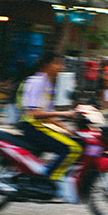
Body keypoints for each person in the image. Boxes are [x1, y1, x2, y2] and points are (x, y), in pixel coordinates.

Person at [16, 53, 82, 202]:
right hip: (31, 126)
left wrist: (68, 130)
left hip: (39, 125)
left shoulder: (48, 84)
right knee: (72, 148)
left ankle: (51, 172)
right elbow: (34, 113)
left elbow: (49, 116)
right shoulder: (37, 82)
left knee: (74, 141)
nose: (61, 67)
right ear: (48, 65)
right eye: (58, 63)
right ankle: (49, 180)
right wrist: (65, 113)